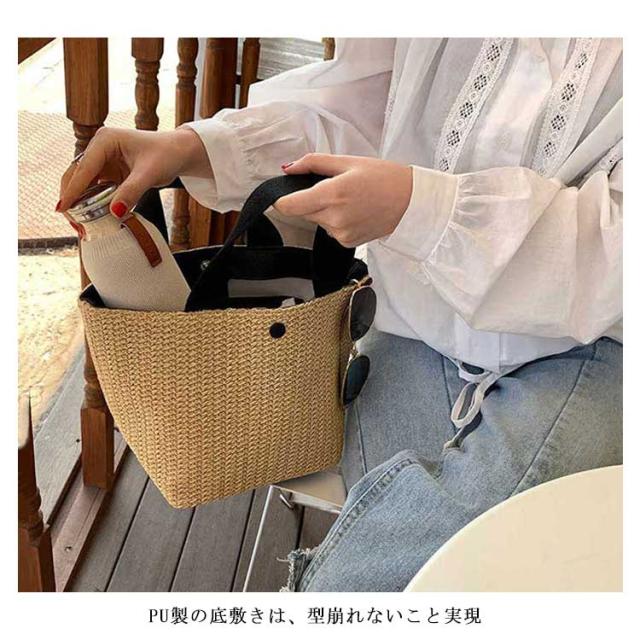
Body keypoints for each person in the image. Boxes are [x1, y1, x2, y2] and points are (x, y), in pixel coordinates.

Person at [58, 38, 623, 592]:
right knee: (399, 532)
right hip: (417, 314)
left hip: (599, 340)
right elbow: (370, 102)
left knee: (391, 573)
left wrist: (418, 209)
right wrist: (191, 147)